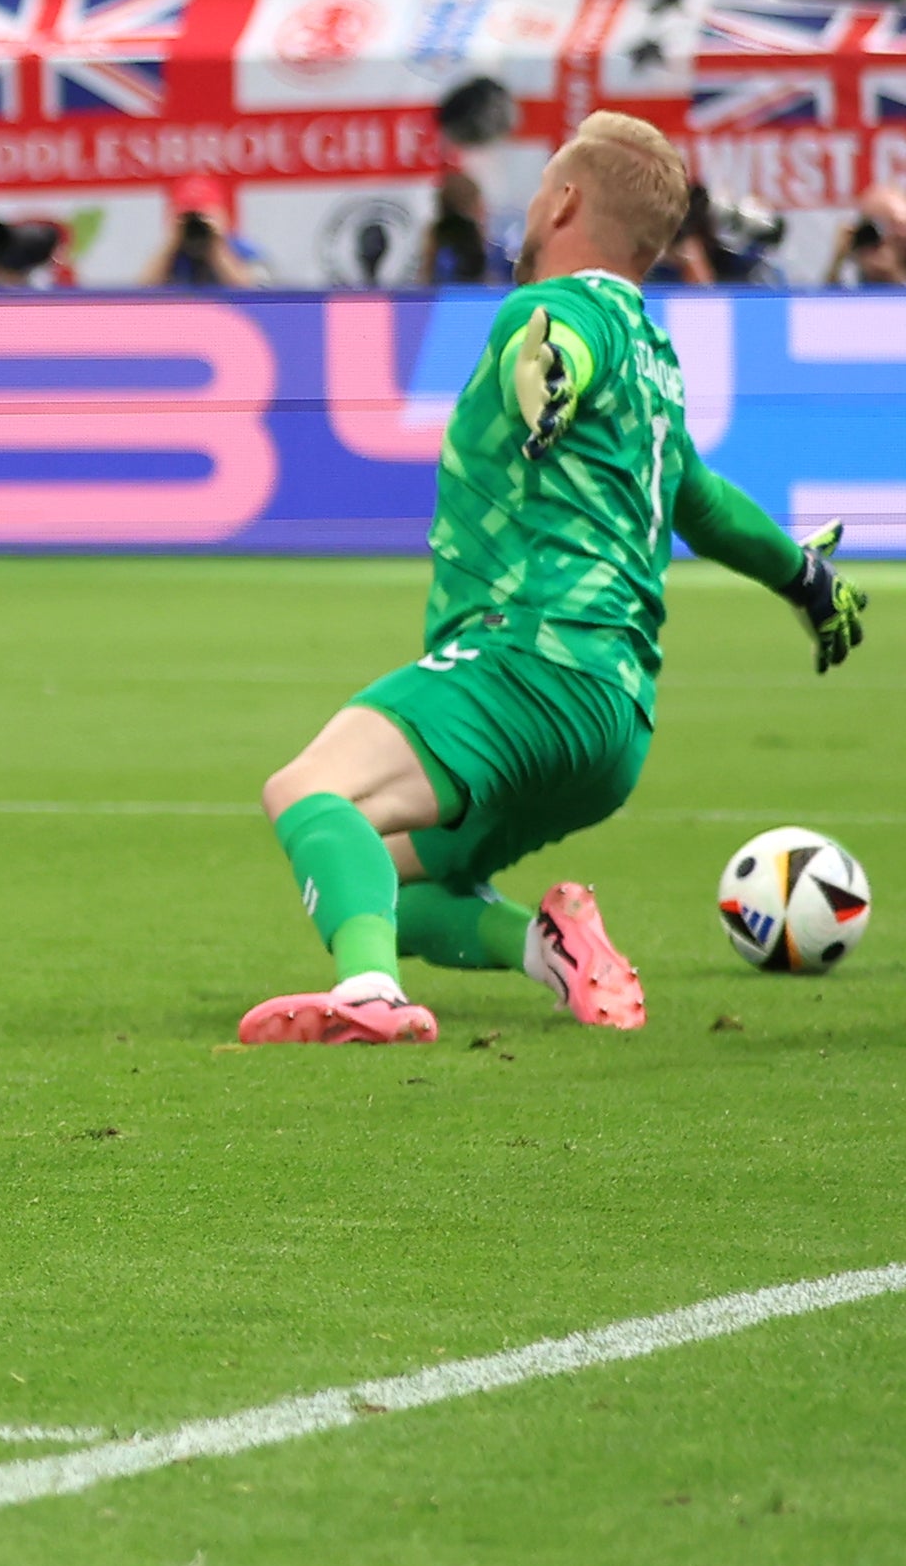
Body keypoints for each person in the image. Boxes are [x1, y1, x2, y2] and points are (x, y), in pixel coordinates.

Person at [239, 112, 865, 1051]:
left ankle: (368, 995)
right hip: (613, 725)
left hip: (524, 664)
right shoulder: (653, 359)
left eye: (540, 184)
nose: (531, 200)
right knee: (383, 875)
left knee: (304, 793)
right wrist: (803, 576)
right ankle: (553, 948)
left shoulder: (559, 312)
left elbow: (553, 338)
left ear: (566, 199)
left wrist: (551, 373)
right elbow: (698, 496)